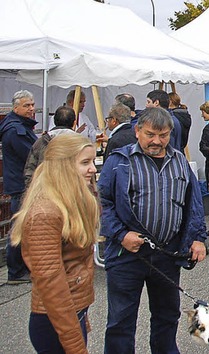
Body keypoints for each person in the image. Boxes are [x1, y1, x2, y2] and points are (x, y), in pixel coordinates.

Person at [98, 107, 207, 353]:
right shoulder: (119, 161)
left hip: (167, 253)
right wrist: (120, 234)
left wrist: (198, 238)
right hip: (127, 254)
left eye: (163, 135)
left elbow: (194, 203)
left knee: (167, 315)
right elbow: (101, 202)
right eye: (150, 135)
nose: (157, 141)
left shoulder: (179, 160)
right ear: (137, 131)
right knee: (121, 320)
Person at [11, 134, 99, 354]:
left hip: (69, 314)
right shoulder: (45, 213)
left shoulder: (67, 204)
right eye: (85, 163)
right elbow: (52, 286)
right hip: (54, 321)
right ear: (64, 166)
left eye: (92, 162)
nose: (93, 169)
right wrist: (76, 345)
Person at [0, 90, 37, 285]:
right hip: (20, 184)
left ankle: (19, 268)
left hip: (20, 183)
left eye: (32, 105)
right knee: (20, 227)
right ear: (15, 108)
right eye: (27, 105)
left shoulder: (20, 126)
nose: (31, 109)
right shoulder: (15, 130)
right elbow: (30, 155)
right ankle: (15, 271)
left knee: (22, 226)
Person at [24, 106, 77, 187]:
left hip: (44, 191)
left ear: (54, 121)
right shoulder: (80, 144)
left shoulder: (40, 142)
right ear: (74, 123)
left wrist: (33, 192)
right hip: (73, 192)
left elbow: (30, 170)